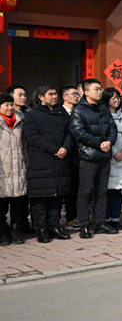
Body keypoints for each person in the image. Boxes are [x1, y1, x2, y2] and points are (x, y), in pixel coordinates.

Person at [23, 85, 73, 243]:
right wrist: (55, 149)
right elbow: (32, 137)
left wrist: (65, 147)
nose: (54, 97)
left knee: (56, 197)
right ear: (41, 97)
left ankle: (54, 227)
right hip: (41, 162)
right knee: (40, 199)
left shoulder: (61, 112)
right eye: (50, 94)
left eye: (55, 94)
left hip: (60, 161)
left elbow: (70, 133)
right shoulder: (32, 114)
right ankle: (41, 230)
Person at [70, 79, 118, 238]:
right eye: (96, 89)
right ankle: (83, 226)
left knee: (101, 192)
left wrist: (109, 142)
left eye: (100, 89)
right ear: (86, 92)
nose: (100, 91)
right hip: (88, 157)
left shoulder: (104, 109)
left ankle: (101, 223)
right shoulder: (79, 110)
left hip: (104, 157)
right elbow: (79, 133)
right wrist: (99, 144)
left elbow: (113, 128)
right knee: (85, 192)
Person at [0, 94, 27, 245]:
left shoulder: (20, 120)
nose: (10, 108)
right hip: (2, 169)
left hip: (18, 167)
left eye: (11, 104)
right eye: (6, 105)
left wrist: (26, 163)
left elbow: (25, 145)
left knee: (18, 203)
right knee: (1, 204)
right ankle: (2, 232)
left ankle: (15, 231)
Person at [102, 88, 122, 231]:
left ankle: (115, 219)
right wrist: (114, 152)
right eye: (113, 97)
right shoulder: (103, 115)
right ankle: (106, 219)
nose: (116, 100)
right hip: (109, 156)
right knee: (107, 190)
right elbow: (103, 136)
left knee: (118, 189)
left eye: (118, 97)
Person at [59, 84, 80, 229]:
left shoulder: (79, 111)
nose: (77, 96)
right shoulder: (59, 113)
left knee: (75, 191)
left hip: (79, 158)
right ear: (65, 97)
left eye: (78, 94)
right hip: (63, 156)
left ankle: (72, 219)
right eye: (74, 94)